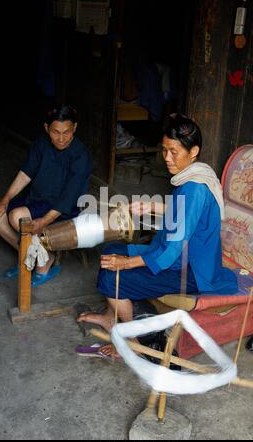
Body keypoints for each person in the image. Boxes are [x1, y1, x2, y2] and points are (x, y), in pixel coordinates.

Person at [77, 114, 238, 359]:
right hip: (180, 256)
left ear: (193, 151)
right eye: (164, 151)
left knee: (112, 277)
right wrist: (152, 207)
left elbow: (171, 251)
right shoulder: (198, 173)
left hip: (190, 270)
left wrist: (128, 263)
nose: (167, 158)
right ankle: (112, 319)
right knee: (110, 250)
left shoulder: (194, 187)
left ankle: (132, 340)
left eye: (174, 152)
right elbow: (187, 212)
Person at [0, 104, 93, 286]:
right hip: (37, 201)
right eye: (55, 132)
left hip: (63, 208)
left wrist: (44, 221)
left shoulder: (81, 155)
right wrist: (4, 200)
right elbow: (26, 173)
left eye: (66, 132)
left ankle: (43, 264)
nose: (61, 139)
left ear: (75, 128)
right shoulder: (41, 143)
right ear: (46, 128)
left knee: (17, 216)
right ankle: (36, 257)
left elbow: (69, 197)